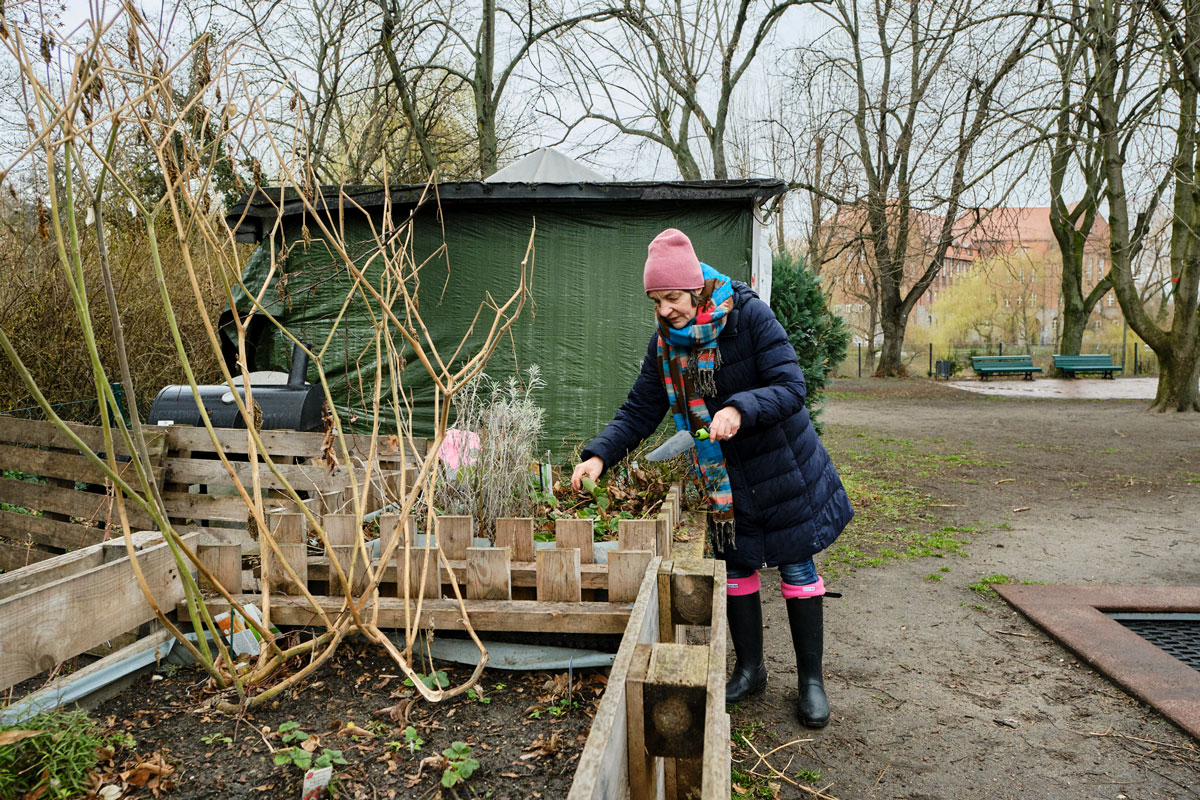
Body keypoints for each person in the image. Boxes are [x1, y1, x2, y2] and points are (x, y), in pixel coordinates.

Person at [571, 228, 854, 728]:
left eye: (672, 297)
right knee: (740, 568)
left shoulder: (748, 315)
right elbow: (639, 411)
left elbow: (791, 386)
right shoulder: (665, 347)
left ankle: (811, 682)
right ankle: (750, 670)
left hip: (783, 466)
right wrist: (599, 456)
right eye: (656, 301)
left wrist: (741, 408)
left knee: (796, 569)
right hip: (725, 482)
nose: (665, 310)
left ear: (697, 286)